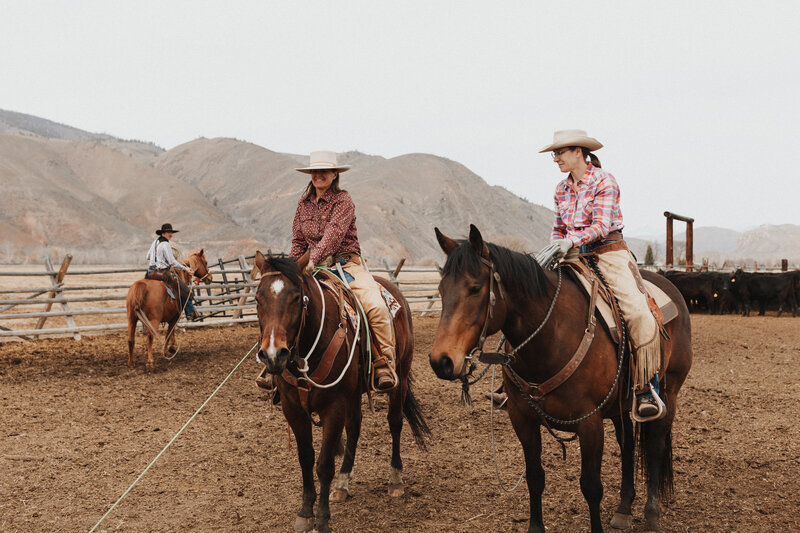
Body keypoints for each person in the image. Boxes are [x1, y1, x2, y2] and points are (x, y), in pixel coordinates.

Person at [540, 130, 664, 420]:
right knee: (529, 293)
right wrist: (556, 243)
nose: (555, 158)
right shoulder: (560, 189)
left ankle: (645, 386)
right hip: (569, 253)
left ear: (580, 152)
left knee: (638, 312)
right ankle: (518, 383)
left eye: (560, 152)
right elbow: (558, 227)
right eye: (554, 153)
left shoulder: (604, 180)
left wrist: (570, 241)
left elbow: (601, 225)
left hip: (607, 252)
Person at [289, 150, 398, 392]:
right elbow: (298, 241)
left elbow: (334, 235)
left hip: (347, 265)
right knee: (284, 304)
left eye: (323, 171)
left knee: (375, 307)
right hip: (311, 266)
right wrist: (290, 267)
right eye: (314, 171)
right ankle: (277, 366)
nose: (318, 175)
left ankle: (384, 364)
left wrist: (311, 259)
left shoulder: (343, 201)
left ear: (334, 173)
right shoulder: (303, 204)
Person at [145, 223, 198, 321]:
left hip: (150, 272)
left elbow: (147, 256)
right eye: (168, 232)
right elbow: (172, 262)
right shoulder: (166, 244)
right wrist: (185, 269)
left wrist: (157, 258)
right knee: (185, 290)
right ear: (163, 233)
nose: (170, 234)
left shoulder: (155, 242)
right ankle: (190, 313)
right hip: (162, 273)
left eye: (171, 232)